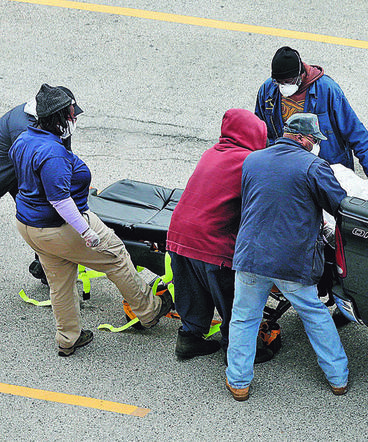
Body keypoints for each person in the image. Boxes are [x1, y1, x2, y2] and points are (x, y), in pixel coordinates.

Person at [10, 84, 173, 357]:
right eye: (72, 115)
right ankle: (149, 310)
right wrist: (86, 231)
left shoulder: (24, 140)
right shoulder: (53, 154)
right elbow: (60, 201)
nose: (74, 120)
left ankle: (68, 338)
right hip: (60, 227)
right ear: (61, 118)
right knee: (116, 256)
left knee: (60, 281)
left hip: (29, 227)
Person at [225, 113, 349, 401]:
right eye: (315, 140)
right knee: (314, 315)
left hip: (251, 256)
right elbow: (339, 204)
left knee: (244, 318)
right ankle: (338, 378)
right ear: (303, 138)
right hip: (291, 260)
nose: (316, 144)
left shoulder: (253, 160)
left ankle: (239, 383)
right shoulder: (314, 166)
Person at [166, 108, 270, 362]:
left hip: (179, 234)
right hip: (213, 243)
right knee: (233, 298)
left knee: (192, 291)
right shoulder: (249, 162)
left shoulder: (211, 153)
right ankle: (234, 350)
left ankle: (189, 339)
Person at [255, 46, 368, 180]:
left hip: (328, 172)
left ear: (301, 75)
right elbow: (259, 133)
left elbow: (356, 133)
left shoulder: (327, 90)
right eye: (278, 82)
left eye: (288, 82)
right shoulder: (268, 90)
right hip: (289, 172)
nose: (283, 87)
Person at [1, 87, 81, 284]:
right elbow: (41, 174)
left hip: (19, 168)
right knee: (41, 210)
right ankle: (49, 266)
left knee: (41, 214)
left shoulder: (54, 119)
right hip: (6, 170)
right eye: (71, 114)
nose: (74, 119)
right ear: (58, 113)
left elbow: (64, 152)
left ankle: (46, 268)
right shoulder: (25, 129)